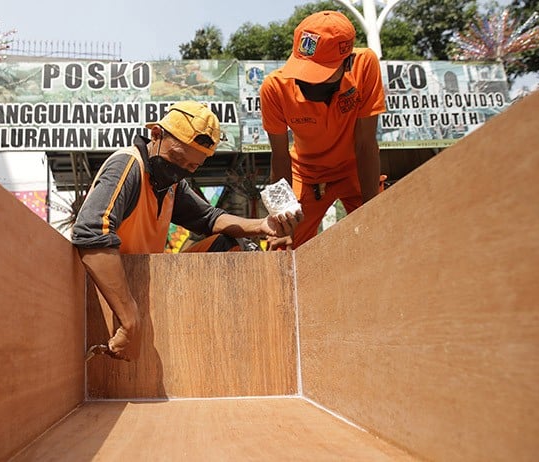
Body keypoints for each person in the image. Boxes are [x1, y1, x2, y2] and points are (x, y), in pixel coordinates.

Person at [71, 101, 302, 361]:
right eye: (178, 158)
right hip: (112, 292)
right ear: (156, 134)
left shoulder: (171, 184)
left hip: (148, 284)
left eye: (191, 167)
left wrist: (261, 226)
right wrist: (129, 319)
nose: (180, 170)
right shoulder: (128, 166)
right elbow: (91, 234)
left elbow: (208, 218)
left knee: (234, 244)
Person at [259, 11, 386, 249]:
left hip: (353, 170)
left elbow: (366, 145)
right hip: (305, 174)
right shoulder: (274, 88)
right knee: (282, 247)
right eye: (303, 70)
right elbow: (280, 155)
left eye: (319, 75)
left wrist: (371, 212)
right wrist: (281, 216)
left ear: (347, 62)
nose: (306, 83)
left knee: (378, 238)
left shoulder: (365, 65)